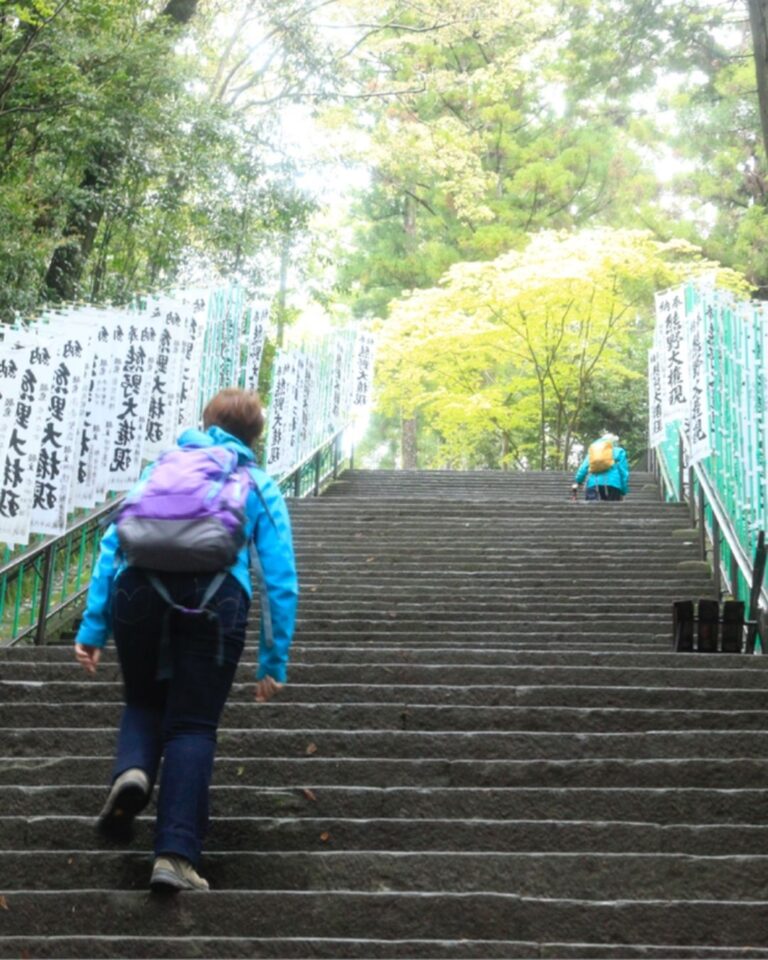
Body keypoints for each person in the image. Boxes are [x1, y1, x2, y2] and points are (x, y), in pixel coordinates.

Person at [73, 388, 298, 892]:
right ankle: (174, 857)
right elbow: (280, 577)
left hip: (137, 591)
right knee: (192, 727)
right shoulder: (255, 480)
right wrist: (273, 659)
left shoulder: (163, 469)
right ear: (255, 435)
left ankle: (132, 772)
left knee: (144, 701)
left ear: (205, 422)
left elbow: (113, 545)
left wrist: (93, 627)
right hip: (216, 599)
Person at [572, 432, 629, 501]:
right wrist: (623, 490)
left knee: (592, 511)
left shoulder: (593, 452)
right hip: (613, 484)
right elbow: (623, 472)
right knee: (612, 510)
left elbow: (583, 468)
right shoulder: (619, 451)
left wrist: (578, 480)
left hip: (593, 484)